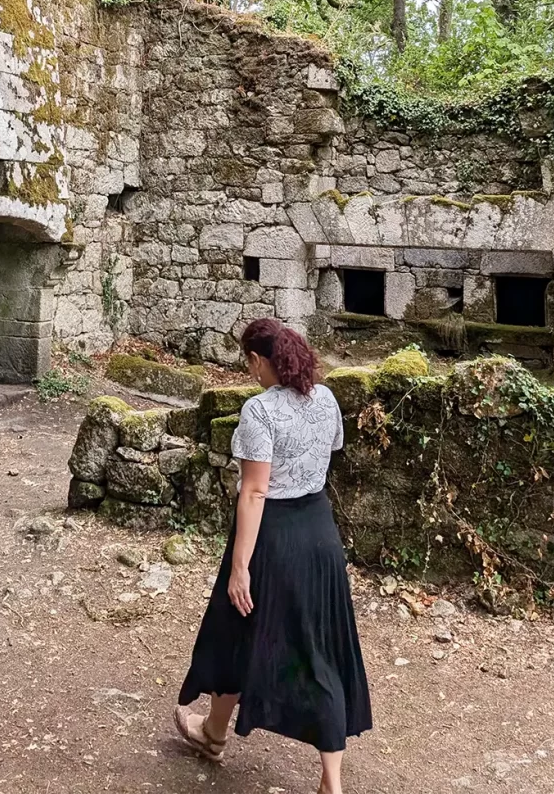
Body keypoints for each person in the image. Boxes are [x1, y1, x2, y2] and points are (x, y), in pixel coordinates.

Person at [175, 317, 372, 794]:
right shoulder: (325, 399)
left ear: (261, 360)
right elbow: (331, 451)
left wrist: (240, 565)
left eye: (250, 361)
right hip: (320, 535)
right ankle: (327, 780)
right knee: (317, 647)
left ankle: (216, 734)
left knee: (237, 625)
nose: (250, 371)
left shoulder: (259, 411)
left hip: (273, 538)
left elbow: (255, 492)